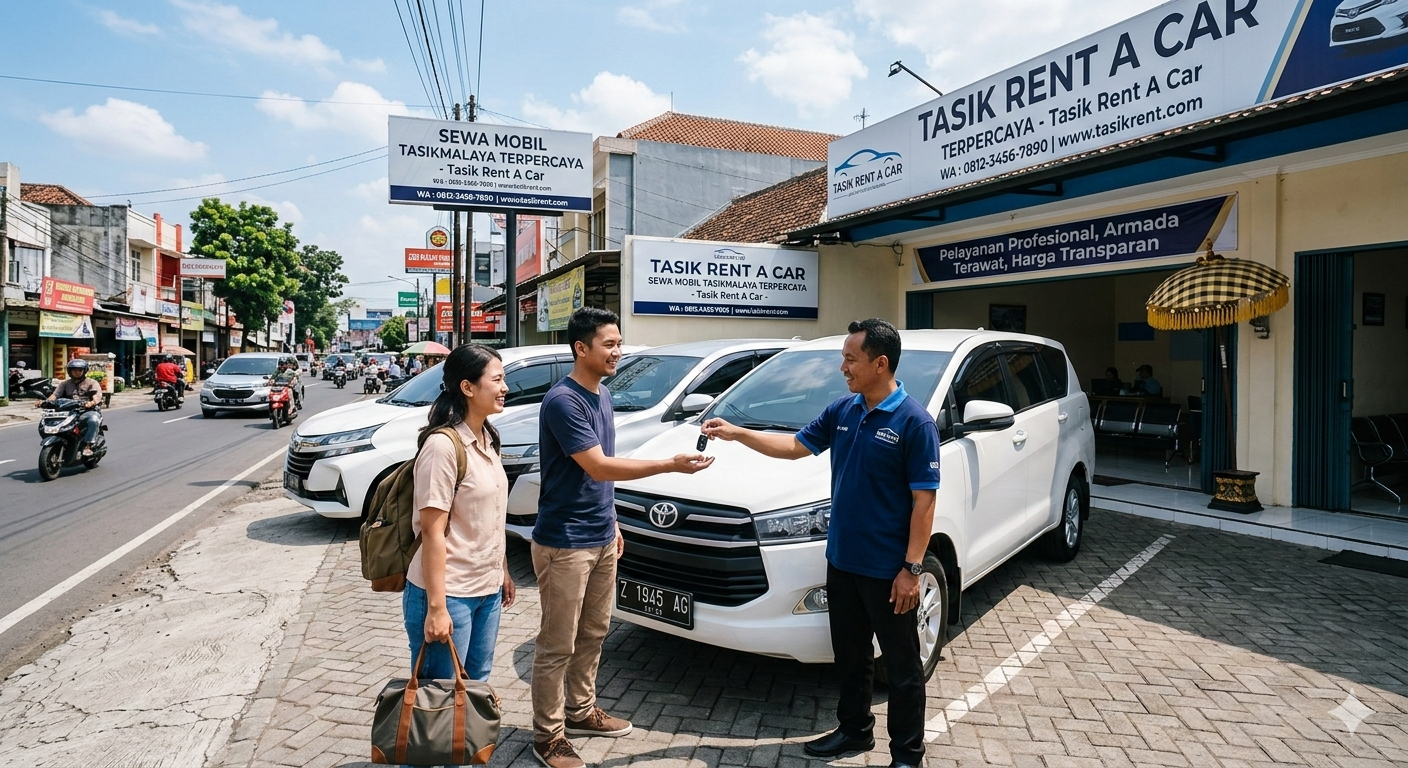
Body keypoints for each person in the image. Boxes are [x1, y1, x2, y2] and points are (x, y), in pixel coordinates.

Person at [702, 318, 939, 768]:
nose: (843, 367)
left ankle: (908, 755)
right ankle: (854, 732)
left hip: (889, 570)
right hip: (843, 562)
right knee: (849, 656)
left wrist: (912, 569)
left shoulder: (914, 422)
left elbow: (924, 502)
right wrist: (736, 433)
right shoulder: (844, 410)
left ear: (880, 363)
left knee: (903, 667)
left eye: (851, 359)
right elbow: (794, 446)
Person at [530, 307, 714, 768]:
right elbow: (599, 465)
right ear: (581, 348)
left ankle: (580, 710)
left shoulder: (602, 395)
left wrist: (612, 521)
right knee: (558, 643)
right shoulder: (563, 401)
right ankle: (547, 736)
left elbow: (601, 478)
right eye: (609, 344)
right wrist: (670, 464)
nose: (618, 351)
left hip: (600, 535)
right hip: (565, 541)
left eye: (618, 342)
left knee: (594, 632)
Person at [403, 344, 517, 688]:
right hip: (449, 593)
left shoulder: (487, 437)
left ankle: (468, 745)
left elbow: (489, 517)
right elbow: (431, 533)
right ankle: (437, 746)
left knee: (476, 685)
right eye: (497, 379)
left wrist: (503, 571)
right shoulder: (442, 447)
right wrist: (437, 608)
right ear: (467, 388)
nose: (505, 387)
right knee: (440, 693)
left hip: (487, 588)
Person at [38, 360, 104, 458]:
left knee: (93, 419)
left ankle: (87, 446)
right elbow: (55, 395)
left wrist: (92, 402)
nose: (76, 372)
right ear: (70, 371)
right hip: (68, 411)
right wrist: (45, 402)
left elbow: (97, 395)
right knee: (48, 421)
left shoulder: (92, 383)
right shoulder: (64, 384)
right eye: (74, 370)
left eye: (79, 370)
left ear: (84, 371)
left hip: (86, 410)